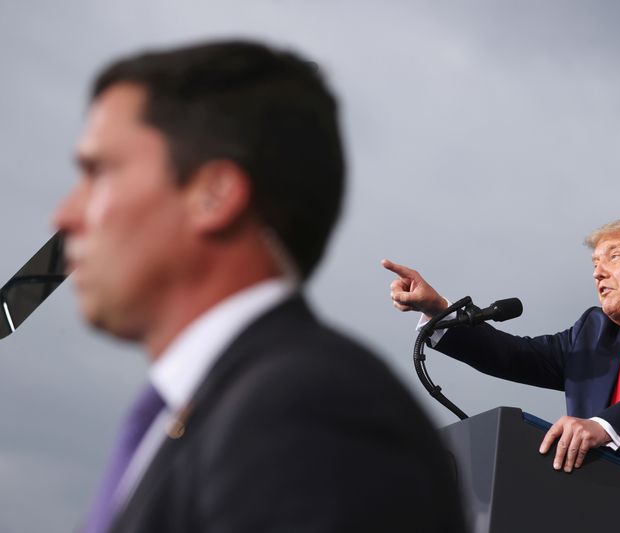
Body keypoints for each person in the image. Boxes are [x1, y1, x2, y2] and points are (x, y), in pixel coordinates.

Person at [53, 40, 465, 533]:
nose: (66, 215)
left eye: (99, 173)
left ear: (214, 195)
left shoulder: (309, 415)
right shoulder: (218, 411)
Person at [384, 216, 620, 532]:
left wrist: (602, 426)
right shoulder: (592, 334)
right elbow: (514, 355)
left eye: (614, 257)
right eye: (595, 263)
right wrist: (439, 311)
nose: (599, 272)